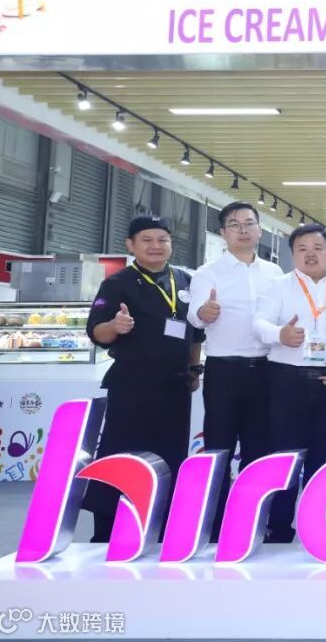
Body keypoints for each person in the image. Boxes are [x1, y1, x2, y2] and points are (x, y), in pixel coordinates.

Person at [83, 215, 204, 542]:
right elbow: (96, 331)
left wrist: (194, 369)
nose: (155, 246)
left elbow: (195, 334)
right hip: (132, 386)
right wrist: (115, 327)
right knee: (121, 455)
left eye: (162, 239)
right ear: (131, 245)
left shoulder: (186, 280)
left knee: (169, 458)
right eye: (147, 240)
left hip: (175, 387)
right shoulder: (117, 283)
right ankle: (107, 532)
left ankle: (161, 529)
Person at [254, 223, 326, 544]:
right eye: (302, 249)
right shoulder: (278, 287)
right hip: (286, 380)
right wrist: (280, 334)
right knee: (284, 456)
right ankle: (279, 528)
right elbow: (259, 324)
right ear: (293, 254)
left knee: (322, 457)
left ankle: (317, 525)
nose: (310, 254)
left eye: (317, 248)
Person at [187, 201, 283, 540]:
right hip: (224, 371)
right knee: (219, 447)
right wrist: (205, 312)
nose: (243, 230)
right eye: (234, 224)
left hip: (266, 371)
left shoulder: (275, 273)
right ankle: (215, 527)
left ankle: (252, 521)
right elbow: (194, 317)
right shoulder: (207, 273)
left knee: (260, 450)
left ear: (259, 230)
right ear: (223, 233)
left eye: (249, 223)